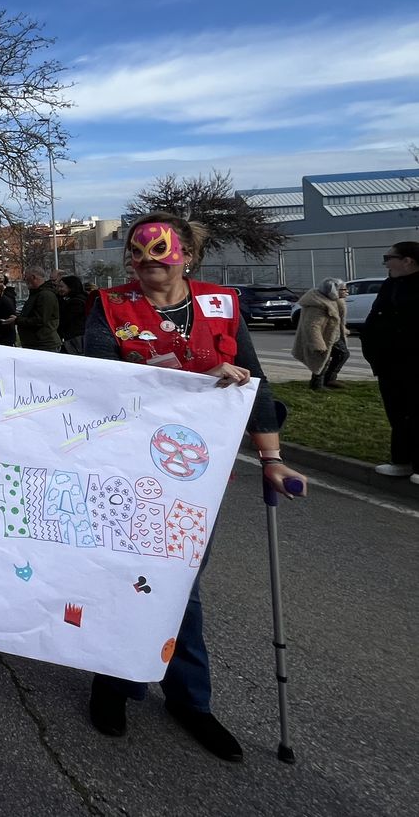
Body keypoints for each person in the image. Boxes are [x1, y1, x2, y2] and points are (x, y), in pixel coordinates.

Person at [84, 213, 305, 762]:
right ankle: (115, 683)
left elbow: (254, 380)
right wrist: (187, 380)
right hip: (126, 473)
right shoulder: (110, 307)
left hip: (195, 478)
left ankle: (190, 701)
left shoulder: (221, 305)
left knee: (182, 584)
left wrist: (271, 457)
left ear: (187, 252)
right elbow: (98, 383)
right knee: (126, 578)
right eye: (139, 252)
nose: (150, 261)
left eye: (162, 250)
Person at [363, 241, 419, 479]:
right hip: (389, 363)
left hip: (415, 360)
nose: (386, 263)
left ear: (408, 260)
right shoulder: (391, 284)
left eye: (389, 257)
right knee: (397, 412)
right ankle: (402, 460)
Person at [292, 278, 349, 391]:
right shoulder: (317, 305)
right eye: (343, 289)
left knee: (343, 354)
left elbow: (338, 320)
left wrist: (343, 330)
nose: (346, 292)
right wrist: (318, 344)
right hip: (323, 338)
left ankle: (330, 378)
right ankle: (316, 385)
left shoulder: (335, 301)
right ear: (333, 290)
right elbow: (312, 326)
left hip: (333, 336)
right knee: (322, 359)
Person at [7, 267, 61, 351]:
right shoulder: (36, 294)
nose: (24, 280)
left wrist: (17, 320)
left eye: (25, 277)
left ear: (33, 277)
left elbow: (40, 320)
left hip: (44, 344)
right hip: (36, 343)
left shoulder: (45, 295)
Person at [57, 274, 88, 351]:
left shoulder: (76, 303)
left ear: (71, 287)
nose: (59, 289)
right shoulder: (82, 299)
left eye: (61, 287)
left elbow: (65, 319)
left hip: (75, 339)